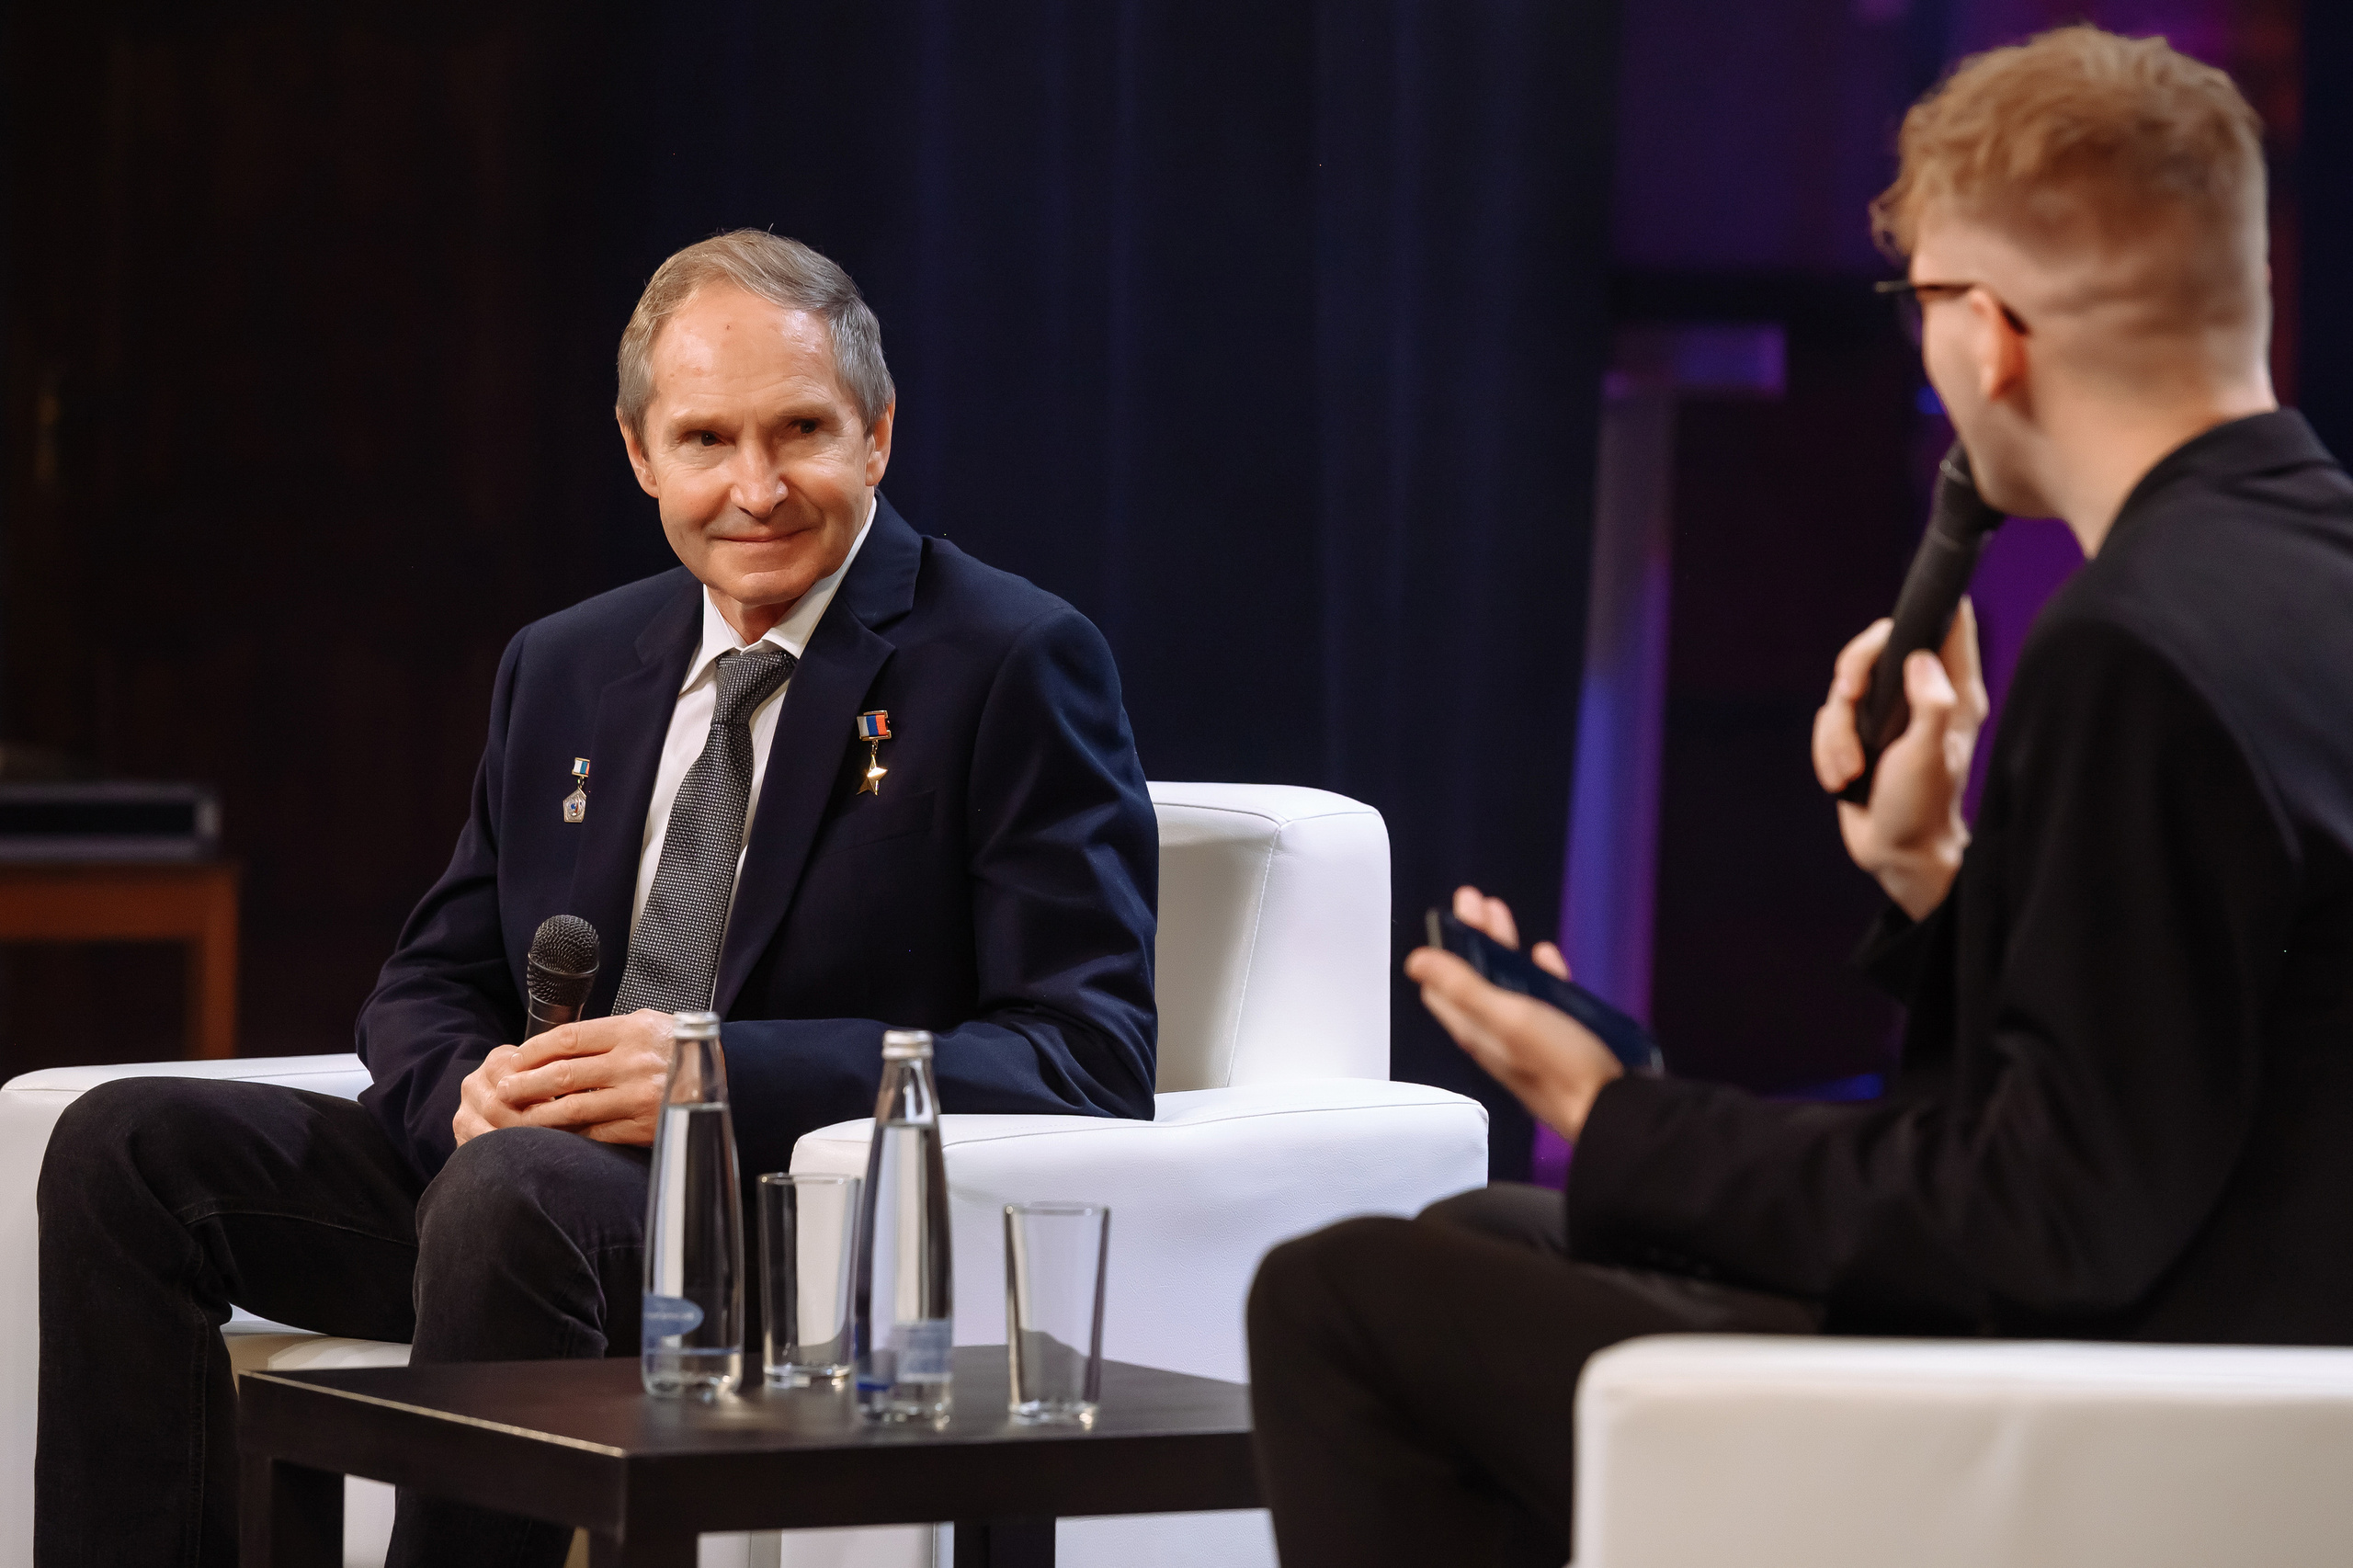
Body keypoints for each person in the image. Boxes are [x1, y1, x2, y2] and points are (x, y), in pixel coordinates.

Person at [1247, 26, 2353, 1567]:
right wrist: (1935, 878)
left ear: (1990, 337)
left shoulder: (2137, 648)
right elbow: (2196, 1055)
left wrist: (1613, 1110)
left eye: (1921, 307)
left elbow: (2048, 1214)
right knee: (1484, 1239)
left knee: (1344, 1297)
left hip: (2146, 1415)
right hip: (2253, 1349)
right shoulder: (2306, 572)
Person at [36, 231, 1160, 1568]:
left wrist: (715, 1073)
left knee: (512, 1194)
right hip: (510, 1200)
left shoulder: (1012, 660)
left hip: (773, 1227)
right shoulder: (564, 664)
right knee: (124, 1152)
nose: (757, 487)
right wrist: (462, 1085)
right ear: (640, 454)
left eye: (800, 429)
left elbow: (1086, 1051)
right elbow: (428, 981)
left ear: (878, 434)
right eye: (705, 441)